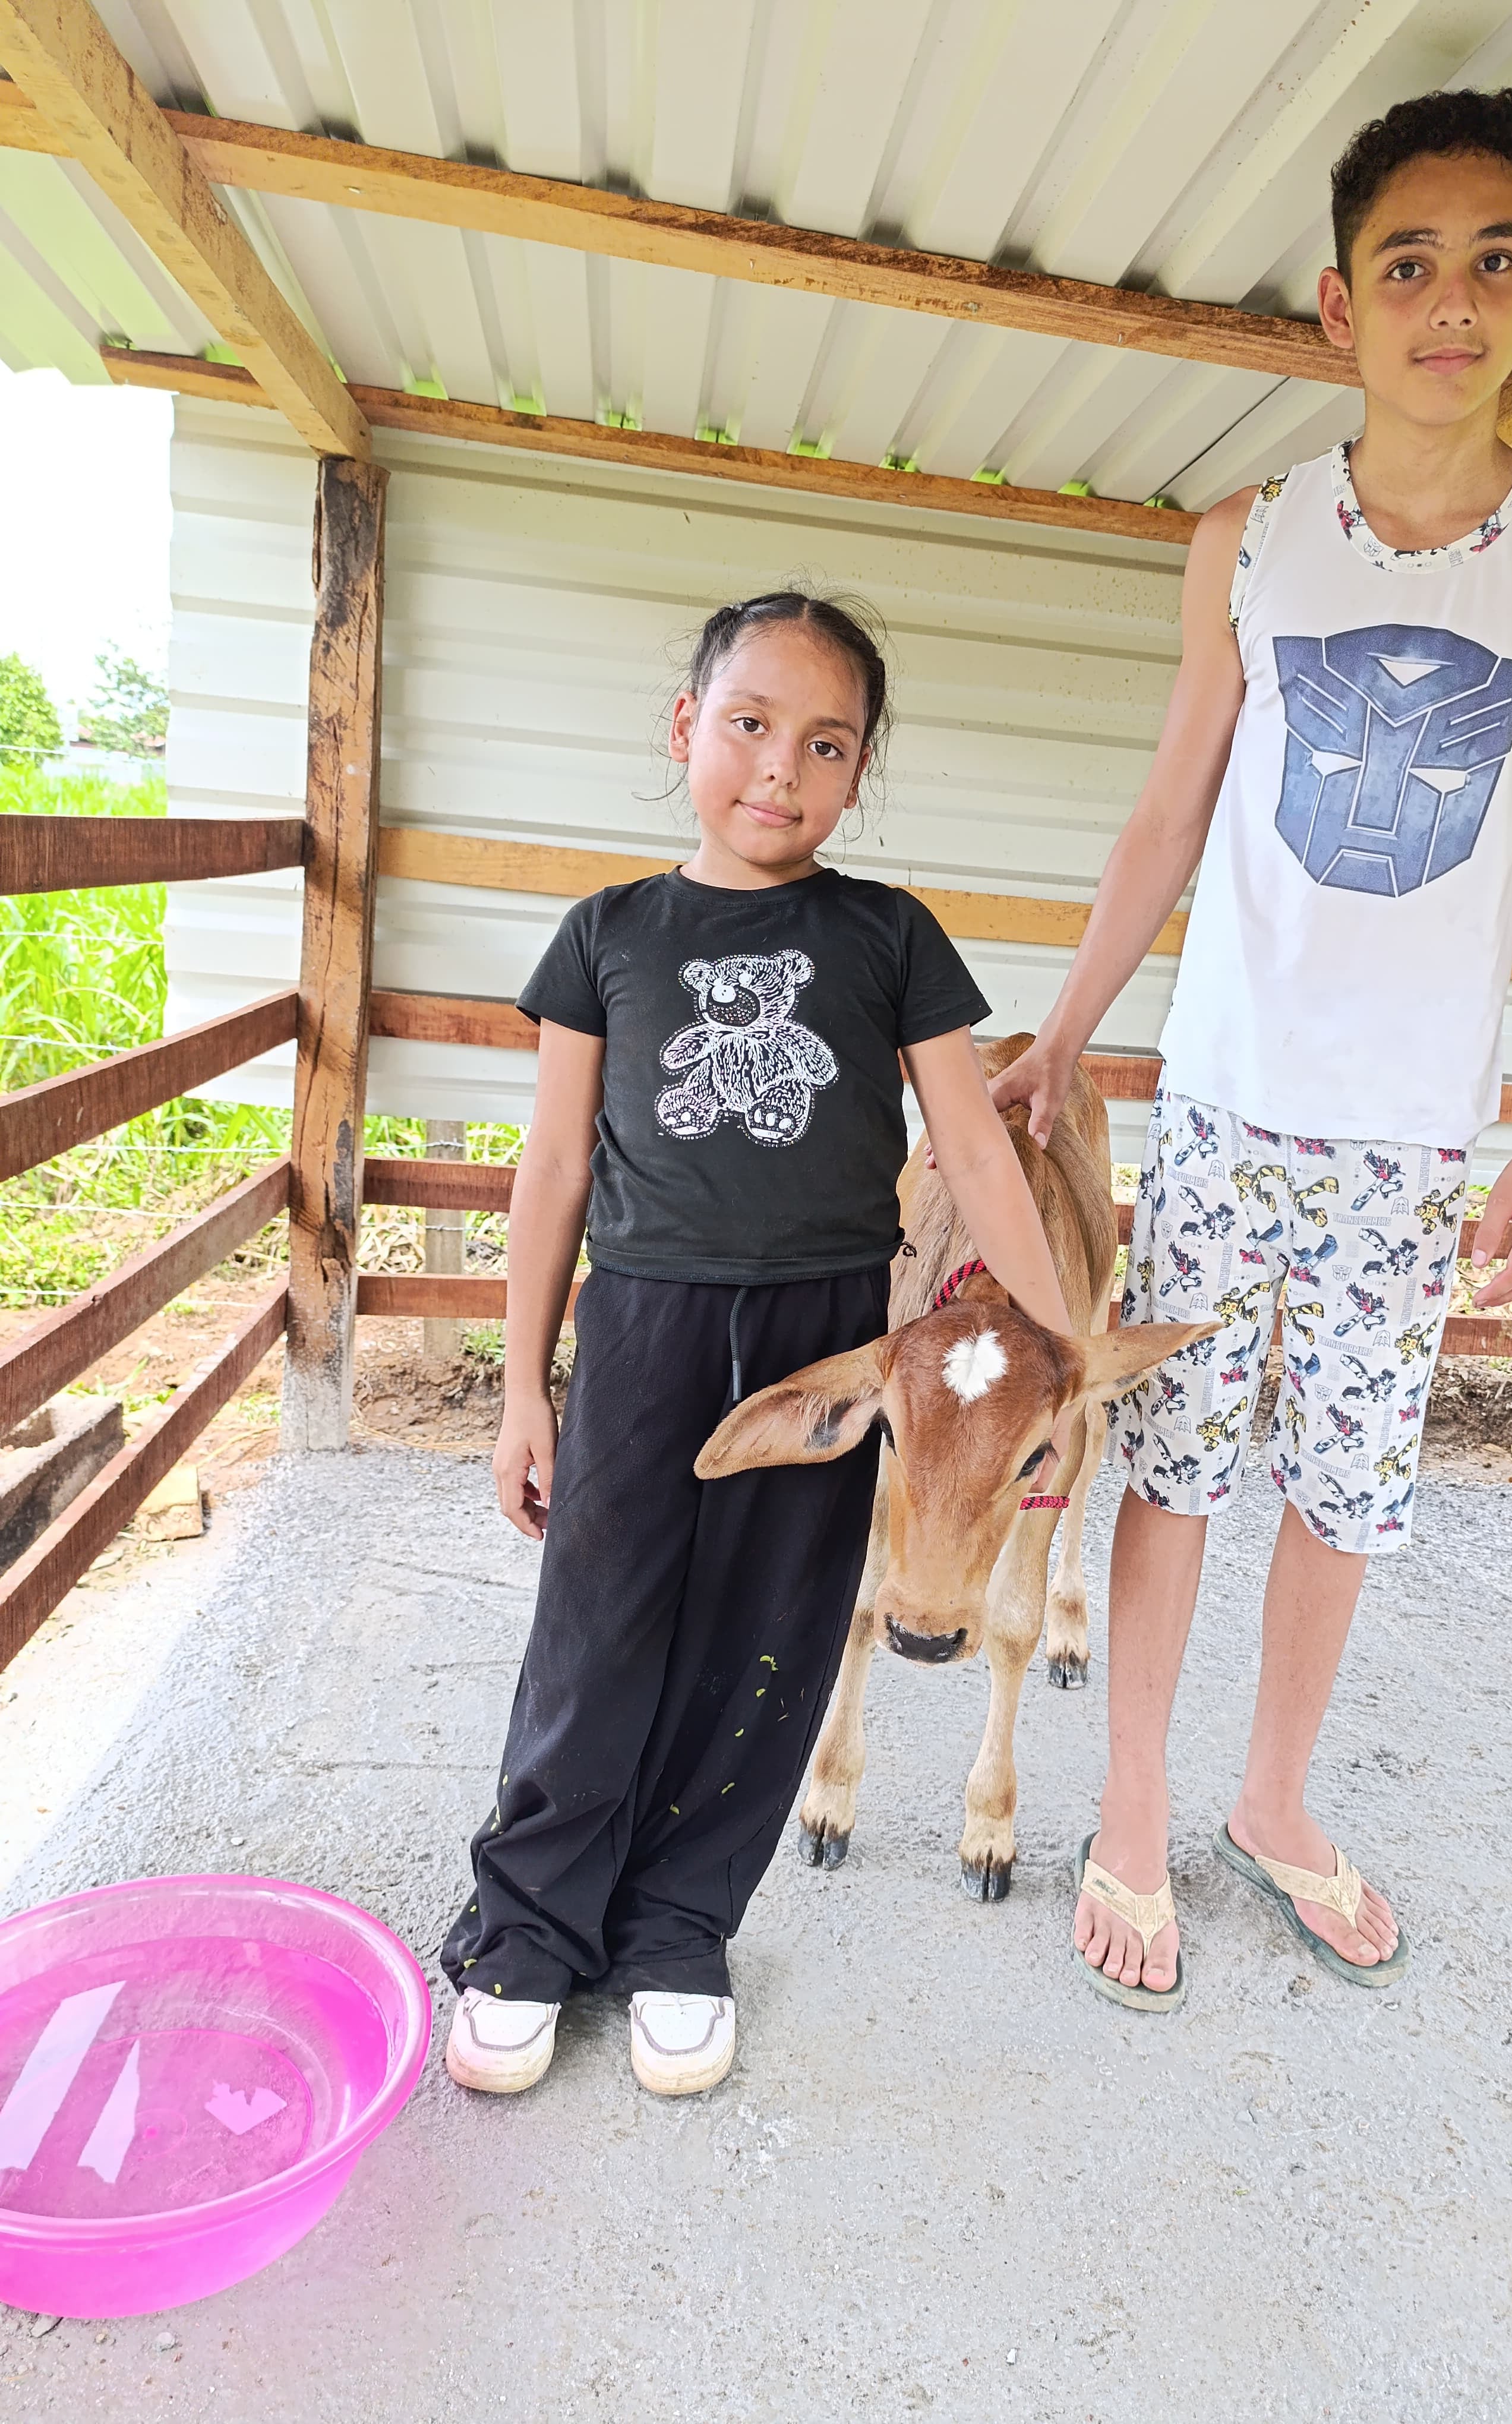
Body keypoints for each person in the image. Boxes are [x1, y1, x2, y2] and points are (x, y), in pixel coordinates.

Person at [993, 89, 1512, 2007]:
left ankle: (1273, 1803)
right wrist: (1067, 1036)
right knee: (1179, 1465)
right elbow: (1166, 814)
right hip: (1229, 1103)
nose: (1452, 301)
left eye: (1491, 260)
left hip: (1417, 1134)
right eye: (1409, 264)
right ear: (1336, 302)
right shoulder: (1251, 541)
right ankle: (1131, 1805)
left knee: (1349, 1490)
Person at [441, 590, 1075, 2094]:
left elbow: (977, 1154)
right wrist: (524, 1390)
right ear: (686, 731)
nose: (779, 770)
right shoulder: (606, 937)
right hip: (647, 1321)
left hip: (829, 1335)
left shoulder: (888, 936)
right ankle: (531, 1929)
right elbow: (555, 1171)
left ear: (858, 776)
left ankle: (677, 1928)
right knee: (599, 1625)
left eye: (825, 743)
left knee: (771, 1636)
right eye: (749, 726)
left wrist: (1057, 1343)